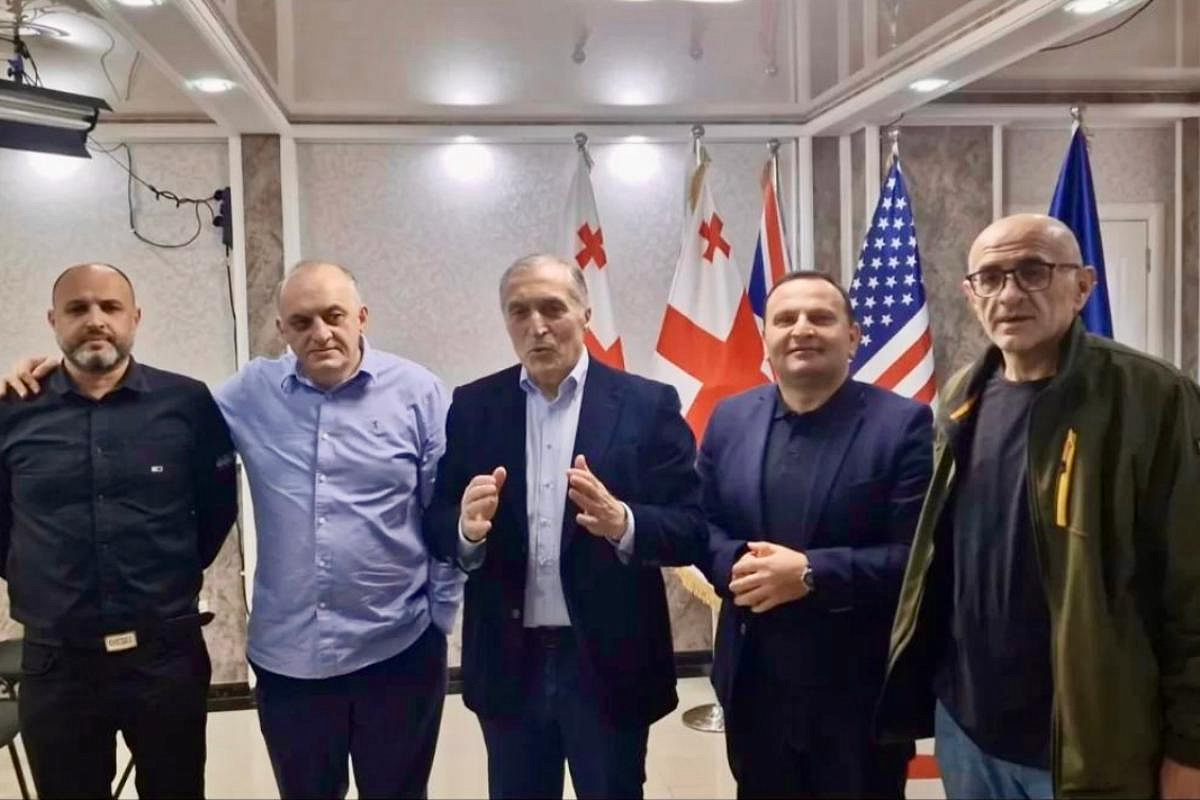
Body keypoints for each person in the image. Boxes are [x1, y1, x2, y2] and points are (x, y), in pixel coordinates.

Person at [4, 260, 462, 800]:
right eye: (301, 322)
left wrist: (440, 615)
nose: (320, 333)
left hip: (392, 645)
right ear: (282, 330)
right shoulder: (247, 394)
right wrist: (43, 374)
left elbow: (444, 508)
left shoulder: (416, 392)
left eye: (334, 316)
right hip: (277, 659)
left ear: (361, 317)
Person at [877, 213, 1200, 799]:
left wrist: (1191, 748)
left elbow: (1192, 587)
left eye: (1033, 271)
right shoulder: (964, 395)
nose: (1009, 295)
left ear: (1083, 286)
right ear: (970, 294)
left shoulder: (1154, 399)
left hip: (1089, 741)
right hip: (969, 729)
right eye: (990, 277)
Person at [423, 253, 706, 799]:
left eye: (553, 308)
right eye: (519, 311)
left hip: (608, 660)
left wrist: (624, 522)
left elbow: (692, 526)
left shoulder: (646, 405)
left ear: (585, 314)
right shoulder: (475, 405)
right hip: (509, 660)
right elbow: (437, 521)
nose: (537, 326)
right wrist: (465, 530)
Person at [0, 263, 237, 798]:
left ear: (135, 317)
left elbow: (215, 509)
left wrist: (166, 577)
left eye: (110, 307)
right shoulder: (12, 409)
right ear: (52, 320)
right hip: (57, 662)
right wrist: (45, 580)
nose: (95, 320)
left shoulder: (187, 402)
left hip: (166, 655)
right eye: (77, 308)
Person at [698, 271, 932, 799]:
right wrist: (735, 564)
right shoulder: (730, 418)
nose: (801, 329)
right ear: (766, 338)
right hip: (754, 685)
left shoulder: (903, 424)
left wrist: (809, 573)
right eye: (785, 319)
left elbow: (919, 559)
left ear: (853, 336)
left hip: (857, 694)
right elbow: (701, 523)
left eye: (820, 317)